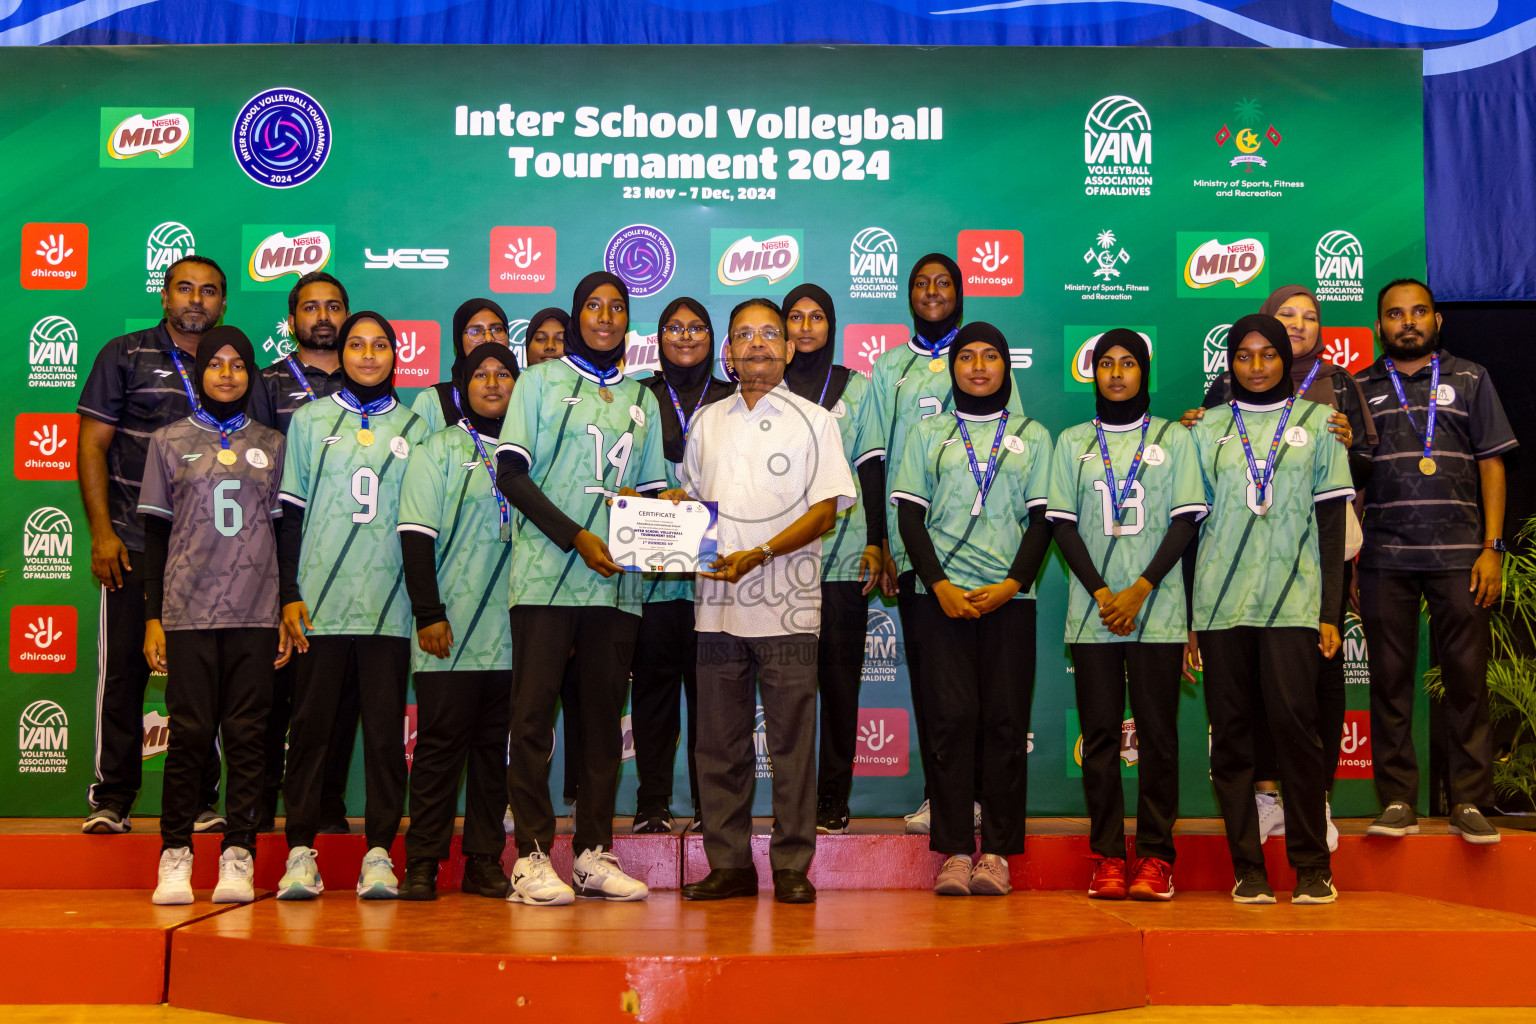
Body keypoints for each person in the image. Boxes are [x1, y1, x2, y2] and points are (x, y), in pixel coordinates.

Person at [677, 297, 856, 905]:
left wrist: (759, 554)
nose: (756, 344)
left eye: (769, 335)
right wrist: (650, 515)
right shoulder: (706, 422)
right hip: (716, 609)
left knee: (791, 748)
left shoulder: (817, 420)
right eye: (743, 335)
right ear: (727, 350)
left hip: (789, 608)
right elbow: (692, 508)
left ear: (787, 348)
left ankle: (791, 867)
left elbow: (826, 511)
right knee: (718, 745)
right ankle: (729, 864)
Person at [494, 272, 666, 906]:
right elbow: (510, 473)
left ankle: (593, 853)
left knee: (599, 726)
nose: (604, 317)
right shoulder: (538, 381)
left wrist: (666, 510)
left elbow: (648, 493)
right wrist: (576, 537)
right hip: (544, 579)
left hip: (614, 588)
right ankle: (534, 857)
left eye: (616, 308)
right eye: (593, 306)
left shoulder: (640, 399)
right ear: (576, 315)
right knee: (533, 720)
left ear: (628, 321)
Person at [1182, 285, 1374, 849]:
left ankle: (1312, 832)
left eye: (1269, 354)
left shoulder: (1326, 412)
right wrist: (1192, 611)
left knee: (1301, 719)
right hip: (1225, 600)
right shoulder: (1210, 422)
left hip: (1300, 593)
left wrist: (1329, 607)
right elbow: (1191, 525)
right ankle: (1253, 846)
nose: (1258, 364)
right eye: (1245, 355)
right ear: (1230, 361)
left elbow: (1336, 516)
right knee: (1237, 729)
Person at [891, 322, 1052, 897]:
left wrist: (1013, 584)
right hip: (942, 599)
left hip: (1010, 599)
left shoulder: (1033, 435)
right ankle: (957, 850)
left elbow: (1042, 521)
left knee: (1005, 724)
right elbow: (910, 518)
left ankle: (999, 855)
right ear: (952, 366)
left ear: (1007, 367)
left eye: (991, 356)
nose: (978, 366)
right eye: (967, 356)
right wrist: (937, 585)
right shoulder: (927, 432)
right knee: (951, 722)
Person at [275, 312, 430, 900]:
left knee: (387, 740)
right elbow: (289, 516)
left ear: (396, 355)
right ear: (340, 354)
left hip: (390, 609)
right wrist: (289, 593)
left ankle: (379, 857)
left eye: (380, 345)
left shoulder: (417, 428)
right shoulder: (312, 421)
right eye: (356, 346)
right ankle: (300, 854)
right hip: (319, 606)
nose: (369, 355)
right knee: (311, 732)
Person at [1047, 330, 1205, 901]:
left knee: (1159, 738)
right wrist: (1101, 592)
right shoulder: (1072, 442)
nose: (1116, 373)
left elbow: (1186, 523)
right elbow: (1061, 524)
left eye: (1128, 363)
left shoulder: (1173, 439)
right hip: (1094, 614)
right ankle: (1109, 856)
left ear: (1145, 372)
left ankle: (1158, 857)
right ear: (1093, 373)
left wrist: (1138, 589)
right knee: (1100, 739)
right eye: (1106, 363)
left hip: (1157, 610)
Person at [1356, 278, 1515, 844]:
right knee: (1390, 683)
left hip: (1461, 559)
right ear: (1380, 326)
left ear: (1437, 320)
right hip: (1384, 558)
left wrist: (1492, 549)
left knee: (1467, 682)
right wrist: (1352, 558)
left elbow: (1493, 464)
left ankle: (1470, 801)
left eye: (1418, 312)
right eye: (1395, 314)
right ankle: (1397, 800)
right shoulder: (1360, 387)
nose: (1408, 322)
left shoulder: (1471, 378)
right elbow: (1352, 483)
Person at [77, 255, 228, 835]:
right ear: (163, 297)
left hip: (211, 555)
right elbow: (92, 447)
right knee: (123, 676)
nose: (197, 300)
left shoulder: (230, 364)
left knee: (202, 680)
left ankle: (198, 800)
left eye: (209, 292)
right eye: (185, 289)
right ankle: (112, 798)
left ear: (222, 304)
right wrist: (102, 533)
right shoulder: (124, 354)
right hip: (134, 544)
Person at [870, 253, 1020, 836]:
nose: (933, 292)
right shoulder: (890, 369)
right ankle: (943, 797)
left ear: (960, 293)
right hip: (916, 550)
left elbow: (1016, 457)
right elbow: (876, 459)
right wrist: (882, 542)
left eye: (944, 283)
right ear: (908, 295)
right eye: (921, 283)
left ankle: (982, 796)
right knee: (937, 686)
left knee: (988, 689)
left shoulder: (989, 362)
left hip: (987, 553)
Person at [140, 327, 289, 904]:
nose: (227, 373)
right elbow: (154, 533)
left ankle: (239, 856)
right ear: (198, 372)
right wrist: (153, 614)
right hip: (187, 610)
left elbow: (284, 533)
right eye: (215, 364)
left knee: (250, 737)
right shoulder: (169, 441)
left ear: (251, 374)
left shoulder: (273, 445)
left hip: (256, 610)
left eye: (238, 365)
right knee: (192, 738)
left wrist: (285, 605)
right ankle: (174, 856)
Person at [397, 342, 520, 900]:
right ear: (462, 384)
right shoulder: (437, 449)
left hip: (514, 633)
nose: (493, 384)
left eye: (504, 374)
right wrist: (428, 613)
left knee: (494, 752)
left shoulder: (532, 454)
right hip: (449, 628)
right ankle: (421, 862)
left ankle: (484, 861)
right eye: (481, 374)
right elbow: (416, 537)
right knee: (440, 747)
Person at [780, 284, 889, 834]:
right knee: (786, 689)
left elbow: (871, 468)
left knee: (841, 684)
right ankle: (794, 796)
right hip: (776, 563)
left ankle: (833, 798)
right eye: (794, 317)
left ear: (831, 325)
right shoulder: (765, 387)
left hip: (843, 557)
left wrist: (877, 539)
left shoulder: (857, 387)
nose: (804, 328)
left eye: (816, 318)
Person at [252, 270, 357, 835]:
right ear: (291, 320)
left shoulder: (368, 384)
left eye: (334, 307)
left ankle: (328, 807)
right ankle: (262, 811)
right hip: (276, 557)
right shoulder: (264, 385)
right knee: (273, 694)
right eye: (311, 307)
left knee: (337, 698)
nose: (323, 317)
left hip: (348, 565)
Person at [628, 296, 735, 834]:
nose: (686, 337)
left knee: (712, 703)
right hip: (652, 580)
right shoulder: (638, 395)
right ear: (659, 336)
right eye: (674, 327)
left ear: (712, 338)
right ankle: (652, 805)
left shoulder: (732, 398)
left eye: (697, 328)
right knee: (652, 697)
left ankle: (708, 809)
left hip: (714, 581)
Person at [412, 298, 512, 435]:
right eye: (476, 331)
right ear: (459, 340)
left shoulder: (526, 397)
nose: (489, 338)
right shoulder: (432, 402)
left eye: (497, 329)